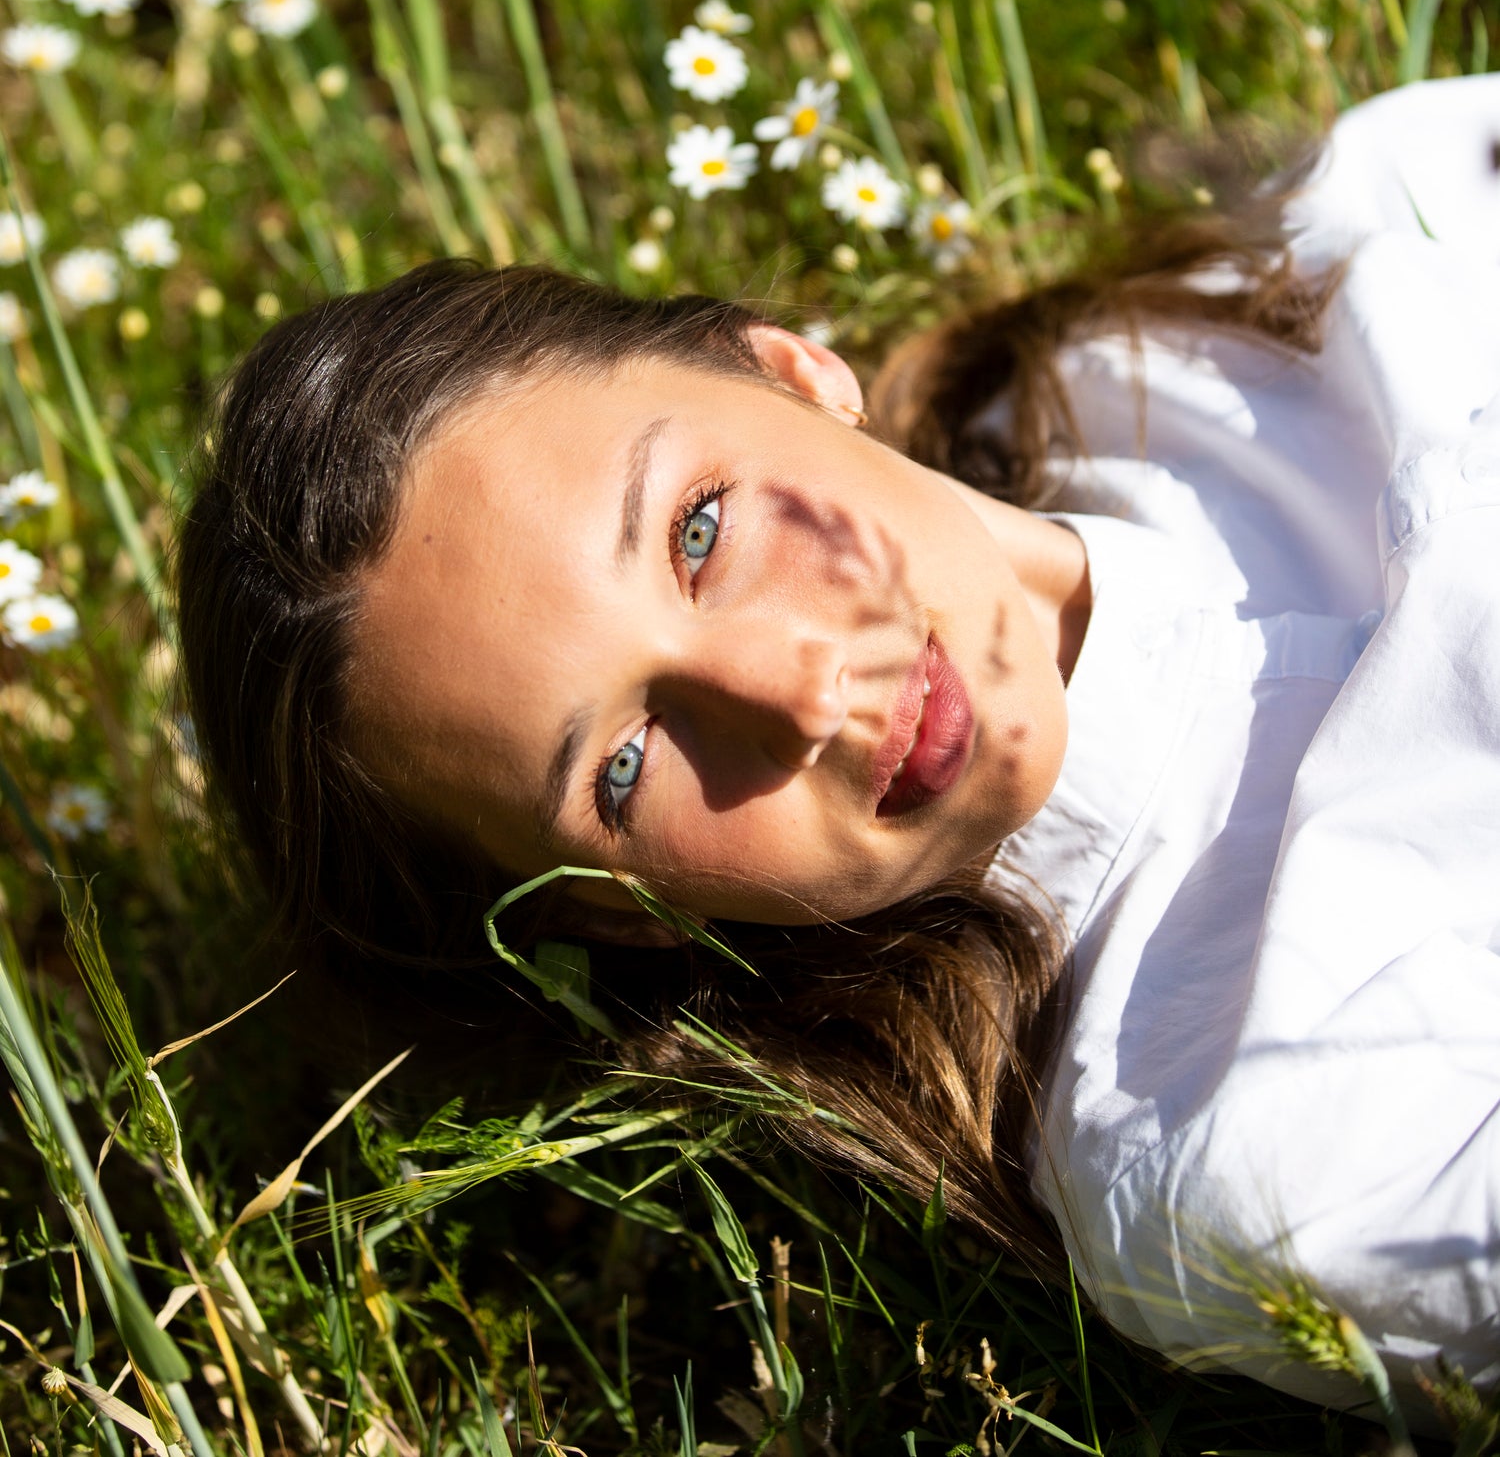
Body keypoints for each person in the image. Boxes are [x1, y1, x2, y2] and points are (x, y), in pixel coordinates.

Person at [178, 75, 1500, 1417]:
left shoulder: (1267, 286)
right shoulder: (1243, 1148)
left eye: (699, 529)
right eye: (622, 767)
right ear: (623, 917)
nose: (796, 693)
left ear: (793, 369)